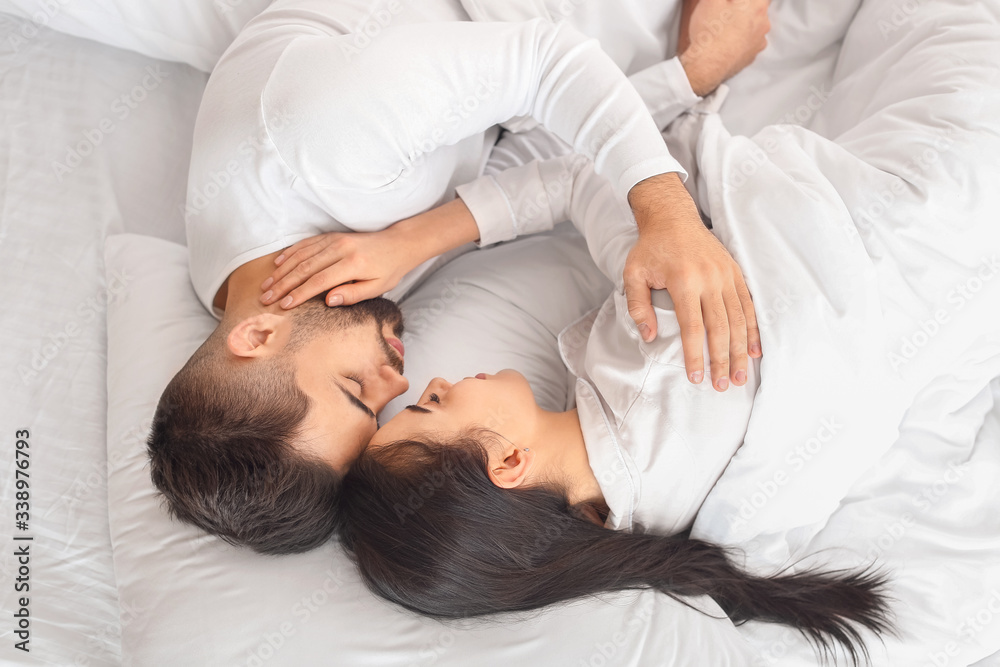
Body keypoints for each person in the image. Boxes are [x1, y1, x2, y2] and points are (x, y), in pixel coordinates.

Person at [148, 0, 770, 554]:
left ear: (256, 339)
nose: (397, 381)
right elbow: (520, 156)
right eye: (381, 408)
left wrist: (668, 214)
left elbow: (546, 64)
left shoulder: (320, 139)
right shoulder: (263, 289)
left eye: (353, 388)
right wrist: (694, 73)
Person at [335, 109, 894, 665]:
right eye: (431, 406)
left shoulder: (640, 521)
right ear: (506, 464)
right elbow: (585, 177)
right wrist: (410, 241)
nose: (433, 382)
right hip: (881, 211)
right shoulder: (652, 349)